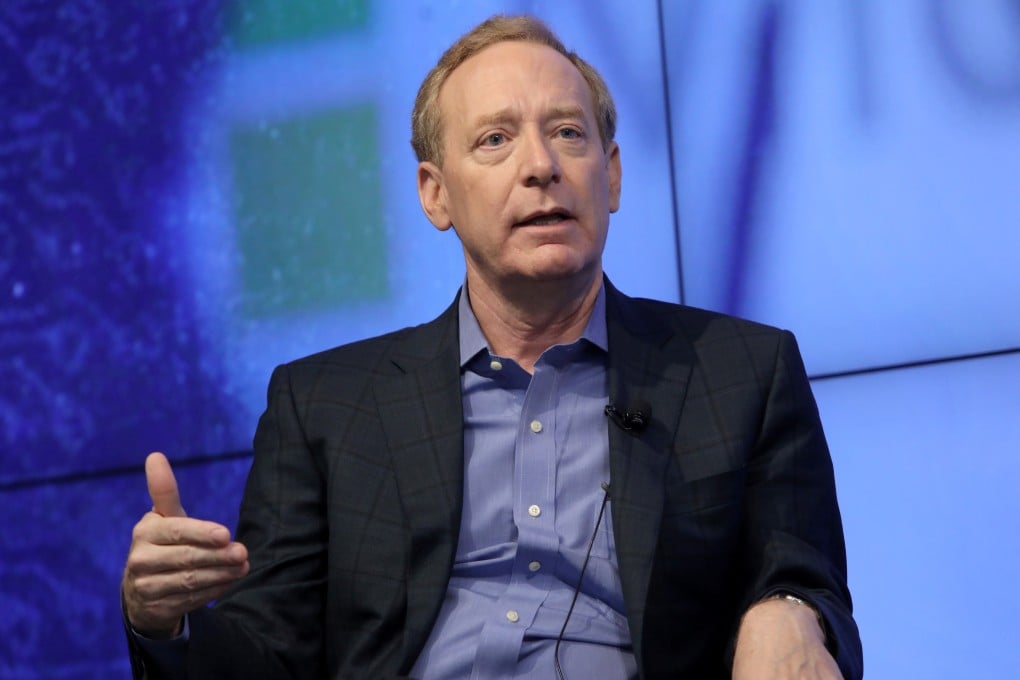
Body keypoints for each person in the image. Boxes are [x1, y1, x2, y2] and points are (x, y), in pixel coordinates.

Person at [122, 14, 862, 680]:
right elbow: (265, 657)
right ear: (434, 194)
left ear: (613, 175)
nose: (540, 165)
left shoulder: (740, 373)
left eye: (568, 133)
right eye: (496, 140)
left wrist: (790, 609)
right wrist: (163, 620)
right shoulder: (325, 406)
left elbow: (809, 583)